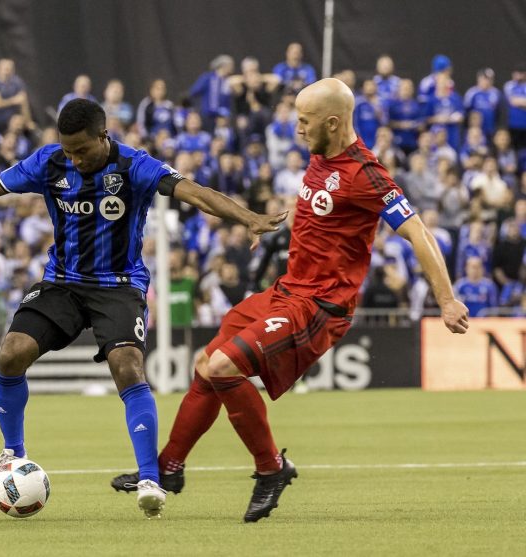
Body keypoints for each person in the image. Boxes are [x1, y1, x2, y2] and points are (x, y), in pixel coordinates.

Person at [0, 98, 285, 519]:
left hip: (118, 286)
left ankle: (149, 477)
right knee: (11, 353)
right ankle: (12, 454)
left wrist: (247, 217)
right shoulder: (49, 163)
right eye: (67, 151)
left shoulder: (135, 166)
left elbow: (196, 193)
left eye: (81, 150)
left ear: (104, 136)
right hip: (62, 282)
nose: (74, 159)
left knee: (128, 367)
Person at [110, 78, 469, 523]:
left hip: (320, 306)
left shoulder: (368, 175)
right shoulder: (320, 154)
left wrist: (447, 298)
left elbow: (418, 231)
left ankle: (271, 469)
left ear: (333, 123)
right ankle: (169, 469)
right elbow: (320, 215)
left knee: (225, 367)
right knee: (205, 363)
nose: (297, 129)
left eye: (305, 121)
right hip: (286, 290)